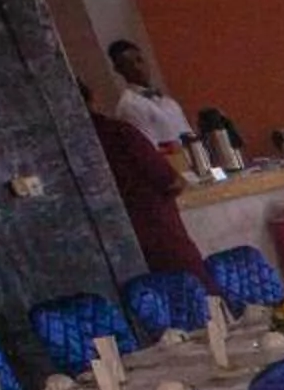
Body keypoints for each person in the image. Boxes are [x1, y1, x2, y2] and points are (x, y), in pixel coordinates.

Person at [84, 81, 206, 276]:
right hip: (156, 229)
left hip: (111, 243)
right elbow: (169, 180)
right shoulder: (118, 130)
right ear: (93, 100)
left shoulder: (74, 145)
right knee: (192, 288)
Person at [108, 39, 195, 152]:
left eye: (139, 60)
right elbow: (148, 150)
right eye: (128, 65)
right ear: (118, 70)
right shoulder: (129, 106)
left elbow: (189, 136)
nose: (137, 68)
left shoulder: (168, 102)